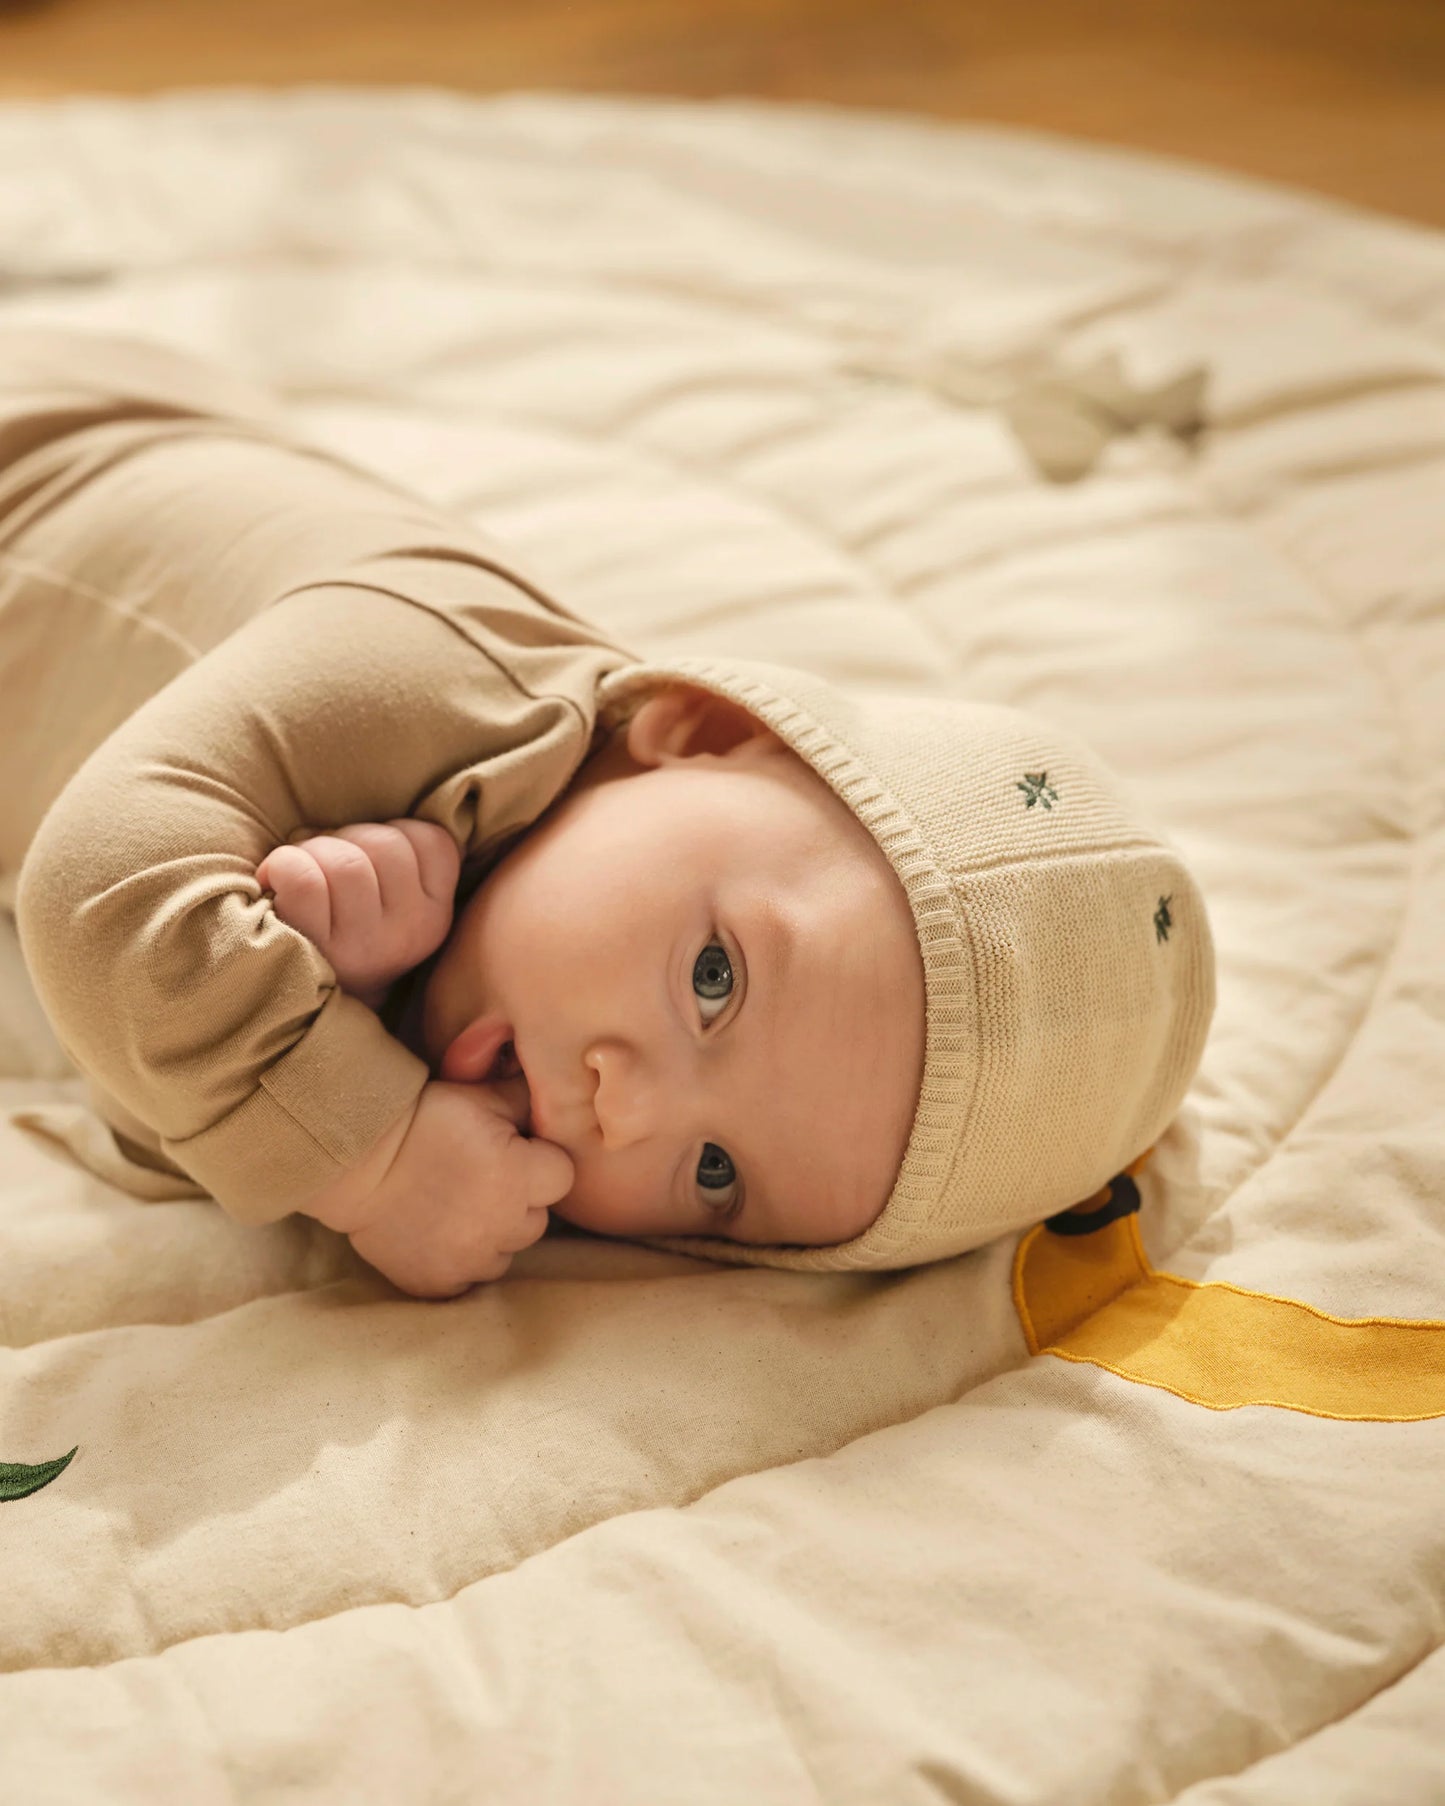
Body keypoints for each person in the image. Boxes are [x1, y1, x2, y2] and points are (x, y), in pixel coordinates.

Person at [1, 326, 1216, 1299]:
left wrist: (341, 1011)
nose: (624, 1111)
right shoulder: (430, 670)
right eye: (711, 979)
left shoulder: (498, 982)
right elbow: (93, 889)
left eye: (714, 1174)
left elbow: (150, 1079)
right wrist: (366, 1159)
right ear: (694, 733)